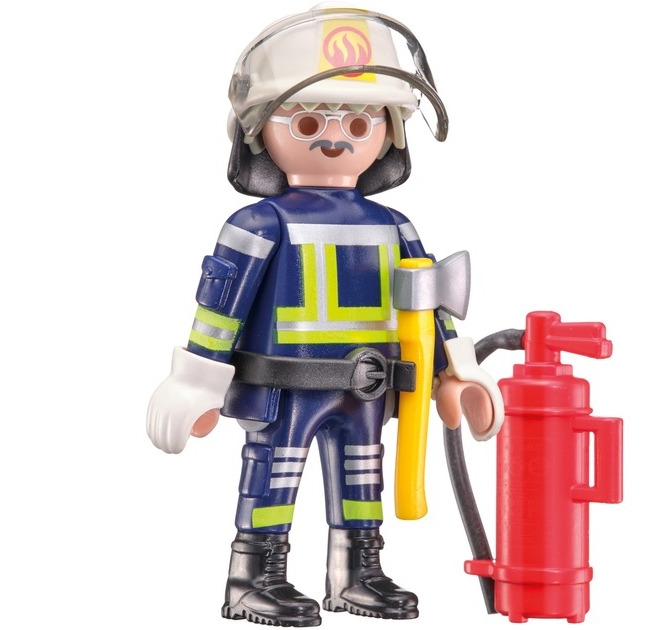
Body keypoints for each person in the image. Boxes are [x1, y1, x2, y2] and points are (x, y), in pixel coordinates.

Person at [147, 6, 501, 626]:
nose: (335, 137)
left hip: (370, 390)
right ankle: (253, 578)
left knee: (364, 480)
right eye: (309, 120)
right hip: (284, 387)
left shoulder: (396, 226)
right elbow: (220, 307)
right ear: (258, 128)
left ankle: (357, 574)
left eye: (360, 121)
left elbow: (430, 304)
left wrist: (456, 372)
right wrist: (196, 380)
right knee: (273, 475)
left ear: (390, 132)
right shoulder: (258, 224)